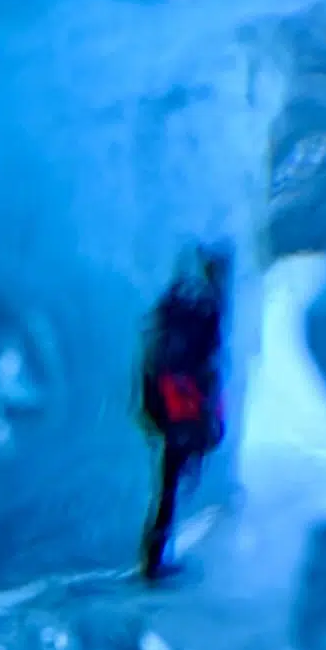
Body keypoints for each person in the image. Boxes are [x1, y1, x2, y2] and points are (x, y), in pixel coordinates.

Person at [137, 240, 232, 580]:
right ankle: (155, 558)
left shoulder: (177, 309)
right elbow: (208, 360)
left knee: (168, 484)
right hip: (185, 404)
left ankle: (155, 556)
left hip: (172, 403)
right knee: (171, 485)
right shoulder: (205, 311)